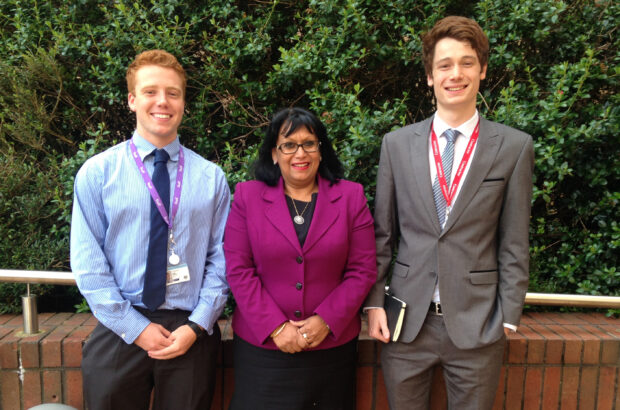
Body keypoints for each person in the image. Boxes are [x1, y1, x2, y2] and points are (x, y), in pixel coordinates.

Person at [365, 16, 534, 409]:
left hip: (478, 325)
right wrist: (374, 303)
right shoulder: (396, 145)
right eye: (444, 65)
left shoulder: (513, 147)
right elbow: (382, 235)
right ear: (429, 76)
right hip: (405, 323)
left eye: (467, 62)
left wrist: (508, 317)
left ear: (483, 70)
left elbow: (514, 240)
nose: (455, 74)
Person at [70, 50, 230, 410]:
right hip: (120, 328)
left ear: (184, 103)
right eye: (150, 91)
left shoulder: (211, 178)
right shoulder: (97, 173)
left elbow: (222, 260)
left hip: (190, 333)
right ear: (131, 100)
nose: (162, 101)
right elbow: (88, 262)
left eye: (173, 93)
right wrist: (135, 327)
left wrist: (198, 324)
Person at [224, 107, 377, 409]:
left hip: (330, 348)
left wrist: (326, 320)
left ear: (321, 150)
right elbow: (239, 270)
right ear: (274, 153)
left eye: (309, 143)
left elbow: (363, 270)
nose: (300, 153)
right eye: (289, 145)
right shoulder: (247, 196)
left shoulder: (351, 197)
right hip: (263, 350)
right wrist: (276, 327)